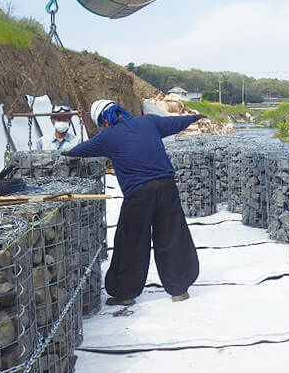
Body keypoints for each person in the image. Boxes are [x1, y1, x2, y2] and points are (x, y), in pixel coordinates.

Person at [64, 99, 207, 305]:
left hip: (139, 192)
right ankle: (179, 289)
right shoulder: (148, 122)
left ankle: (124, 293)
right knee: (172, 235)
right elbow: (175, 124)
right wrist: (194, 117)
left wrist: (68, 153)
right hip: (167, 187)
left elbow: (81, 150)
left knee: (131, 241)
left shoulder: (107, 136)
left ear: (104, 120)